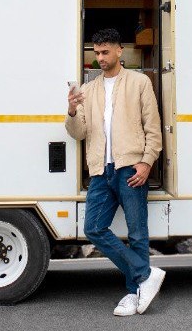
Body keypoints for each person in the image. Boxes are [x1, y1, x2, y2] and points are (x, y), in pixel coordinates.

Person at [66, 28, 165, 316]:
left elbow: (153, 126)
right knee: (93, 228)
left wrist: (147, 162)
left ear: (119, 51)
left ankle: (134, 295)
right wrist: (71, 111)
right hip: (100, 170)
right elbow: (78, 132)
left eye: (105, 52)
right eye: (96, 53)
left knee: (137, 234)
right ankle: (145, 275)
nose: (100, 58)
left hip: (130, 167)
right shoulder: (88, 90)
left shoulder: (139, 82)